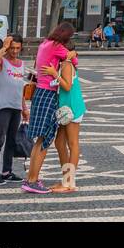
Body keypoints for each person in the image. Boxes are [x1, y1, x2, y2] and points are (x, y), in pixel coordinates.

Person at [22, 22, 76, 194]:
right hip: (48, 94)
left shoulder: (44, 43)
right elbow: (73, 59)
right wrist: (71, 55)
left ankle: (31, 178)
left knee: (39, 140)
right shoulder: (56, 46)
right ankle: (32, 181)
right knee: (45, 139)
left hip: (39, 92)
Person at [0, 34, 29, 186]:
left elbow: (20, 89)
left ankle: (6, 172)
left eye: (17, 48)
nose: (15, 51)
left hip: (16, 108)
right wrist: (4, 47)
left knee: (11, 141)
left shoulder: (21, 64)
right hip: (4, 107)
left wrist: (24, 108)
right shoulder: (2, 63)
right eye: (12, 48)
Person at [48, 47, 86, 192]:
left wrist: (54, 75)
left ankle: (70, 183)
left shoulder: (66, 64)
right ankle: (66, 179)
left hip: (72, 108)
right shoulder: (64, 63)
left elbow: (67, 86)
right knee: (59, 143)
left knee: (73, 143)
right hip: (65, 109)